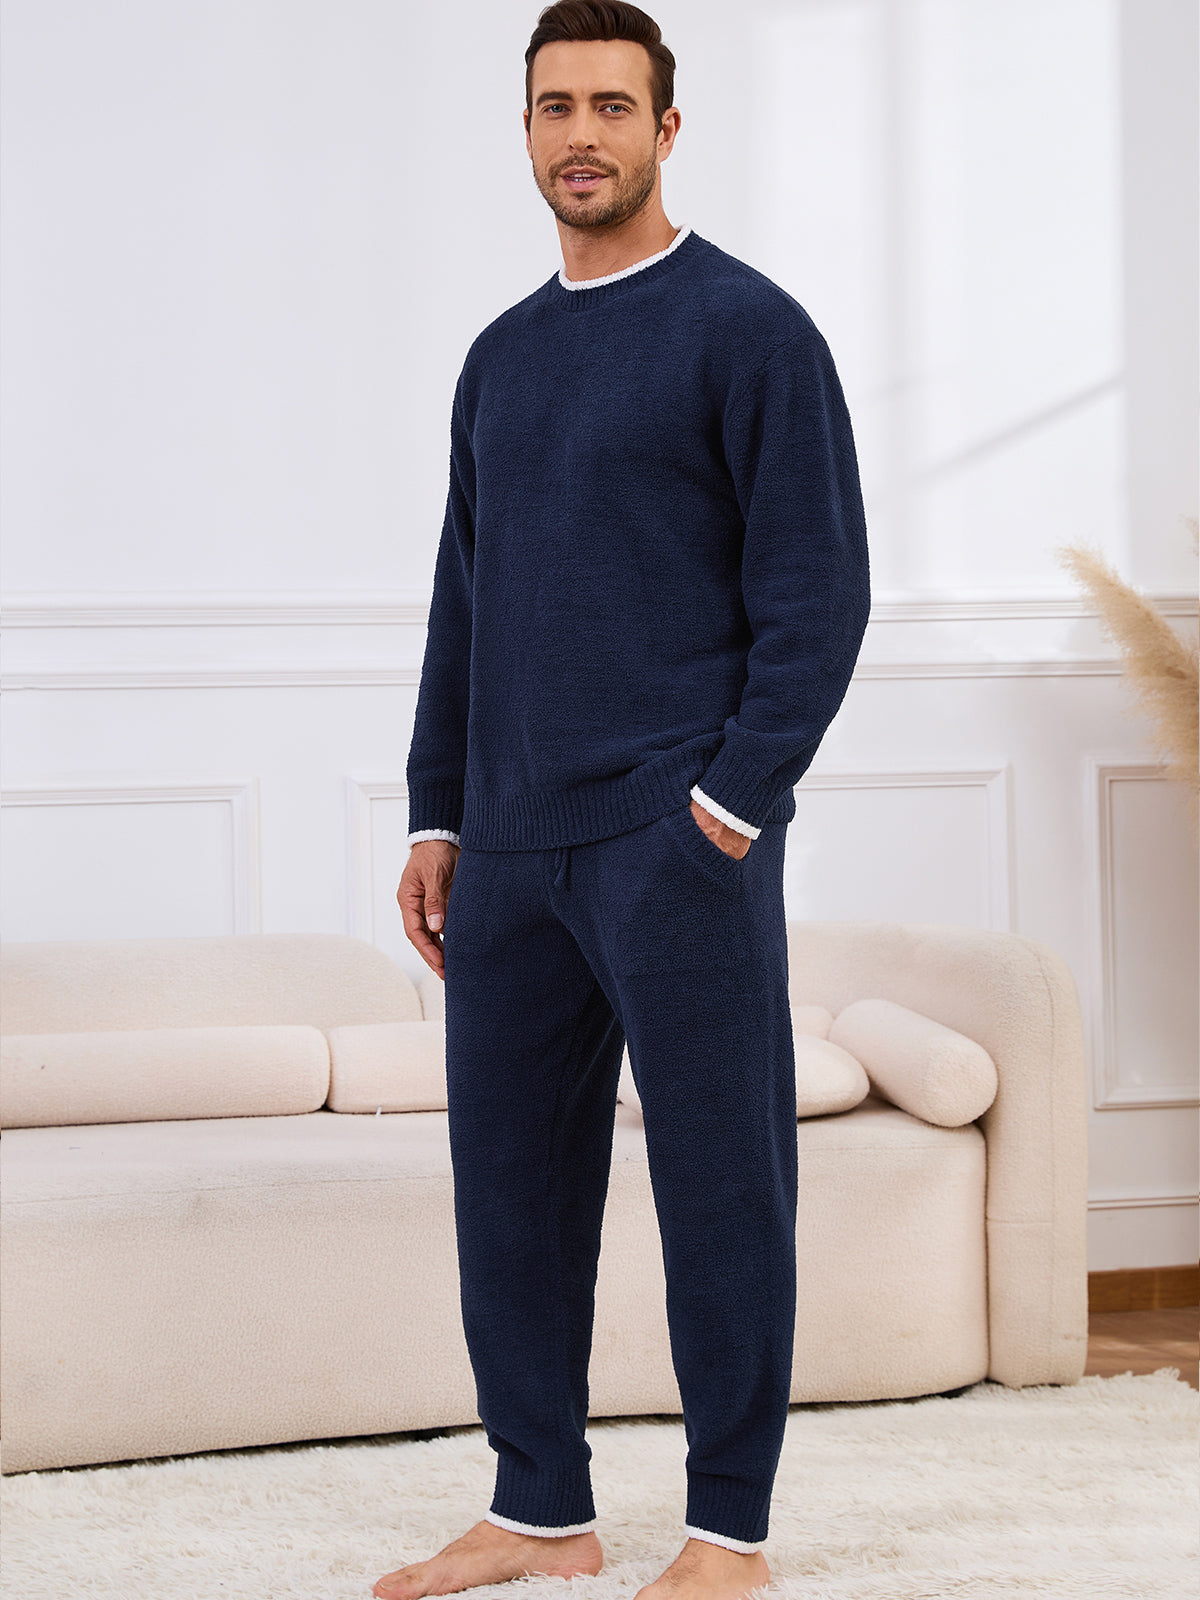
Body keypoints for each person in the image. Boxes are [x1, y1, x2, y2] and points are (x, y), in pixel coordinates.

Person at [376, 4, 870, 1598]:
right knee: (510, 1193)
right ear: (525, 131)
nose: (579, 134)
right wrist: (438, 817)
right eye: (552, 107)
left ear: (666, 128)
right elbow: (466, 601)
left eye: (609, 105)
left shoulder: (752, 332)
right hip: (510, 849)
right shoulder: (500, 359)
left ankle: (729, 1534)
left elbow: (819, 599)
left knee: (722, 1186)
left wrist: (727, 806)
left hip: (675, 838)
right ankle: (541, 1508)